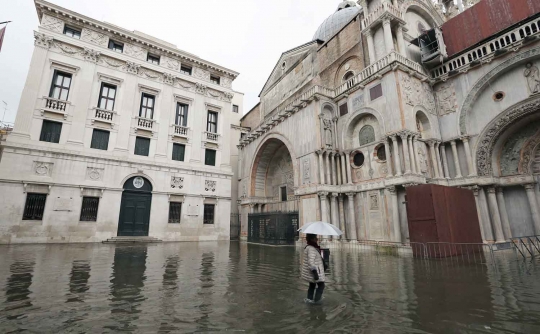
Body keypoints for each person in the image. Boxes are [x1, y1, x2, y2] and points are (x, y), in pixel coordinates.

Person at [301, 234, 325, 303]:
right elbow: (310, 262)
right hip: (315, 272)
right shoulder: (311, 248)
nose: (317, 239)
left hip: (313, 271)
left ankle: (309, 299)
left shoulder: (312, 247)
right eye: (315, 238)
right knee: (321, 285)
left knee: (312, 285)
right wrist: (315, 273)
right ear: (312, 239)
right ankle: (317, 301)